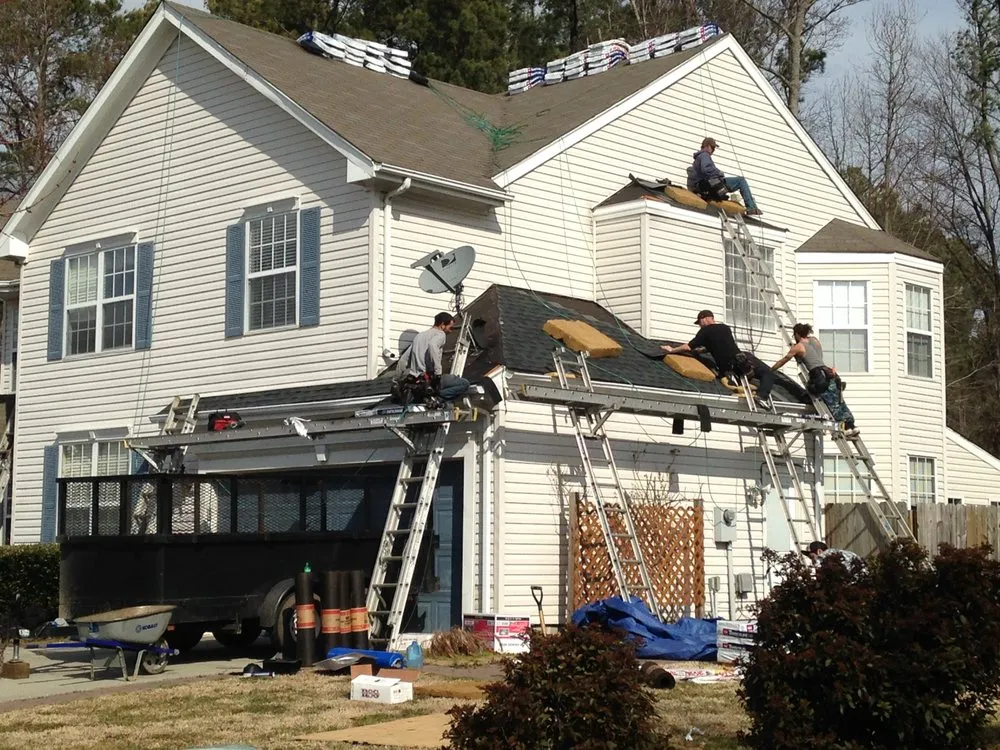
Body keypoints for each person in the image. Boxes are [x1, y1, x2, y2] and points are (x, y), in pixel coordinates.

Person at [661, 310, 775, 410]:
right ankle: (762, 395)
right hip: (740, 362)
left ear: (704, 319)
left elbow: (688, 347)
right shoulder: (725, 328)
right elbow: (722, 344)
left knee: (765, 372)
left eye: (699, 323)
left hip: (728, 368)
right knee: (768, 373)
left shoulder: (705, 332)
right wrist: (703, 350)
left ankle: (759, 395)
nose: (699, 326)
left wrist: (672, 350)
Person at [772, 323, 859, 437]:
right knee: (839, 402)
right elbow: (817, 355)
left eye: (795, 335)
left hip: (819, 376)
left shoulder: (798, 347)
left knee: (830, 403)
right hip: (829, 374)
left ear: (797, 334)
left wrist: (772, 369)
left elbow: (784, 360)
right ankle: (852, 425)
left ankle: (845, 428)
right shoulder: (814, 340)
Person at [403, 312, 470, 402]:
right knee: (464, 383)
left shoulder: (419, 336)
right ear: (442, 325)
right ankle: (438, 398)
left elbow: (404, 359)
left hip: (418, 379)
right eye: (450, 327)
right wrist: (438, 372)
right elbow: (432, 345)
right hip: (430, 379)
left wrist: (398, 378)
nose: (450, 331)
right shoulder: (440, 334)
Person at [686, 137, 762, 216]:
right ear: (707, 146)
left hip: (707, 187)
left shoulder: (698, 158)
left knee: (737, 182)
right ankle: (751, 207)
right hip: (713, 185)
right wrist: (718, 173)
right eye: (713, 147)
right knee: (741, 180)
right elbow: (706, 169)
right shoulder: (704, 155)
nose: (713, 150)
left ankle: (752, 206)